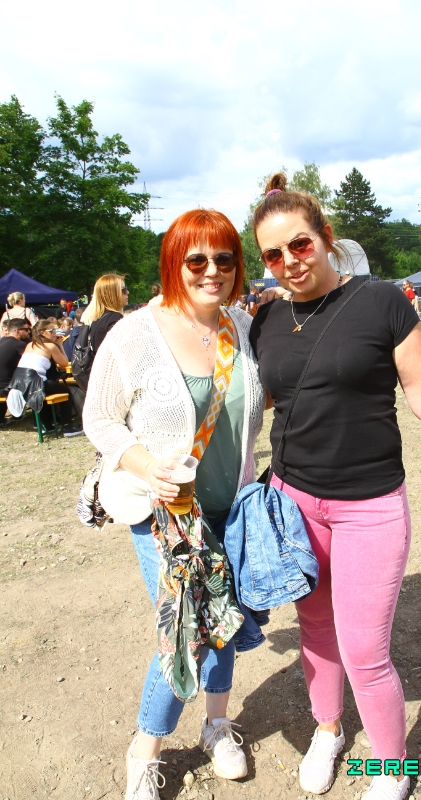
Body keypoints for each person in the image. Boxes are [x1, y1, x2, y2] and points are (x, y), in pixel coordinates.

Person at [248, 173, 421, 800]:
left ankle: (391, 765)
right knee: (315, 628)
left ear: (325, 237)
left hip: (370, 506)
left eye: (300, 244)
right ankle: (328, 729)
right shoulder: (266, 319)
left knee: (363, 650)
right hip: (293, 504)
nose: (289, 261)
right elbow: (259, 402)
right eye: (273, 254)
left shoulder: (382, 302)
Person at [83, 209, 265, 800]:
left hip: (232, 509)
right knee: (185, 627)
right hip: (167, 516)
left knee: (225, 622)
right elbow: (99, 418)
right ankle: (145, 752)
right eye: (197, 259)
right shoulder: (134, 334)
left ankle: (217, 724)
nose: (213, 270)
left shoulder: (242, 325)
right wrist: (145, 466)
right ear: (173, 263)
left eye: (225, 258)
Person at [13, 319, 84, 436]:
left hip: (19, 381)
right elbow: (64, 363)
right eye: (52, 331)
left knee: (46, 392)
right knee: (66, 392)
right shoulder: (50, 346)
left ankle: (46, 424)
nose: (55, 333)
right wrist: (60, 345)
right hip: (35, 381)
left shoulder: (30, 345)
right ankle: (68, 427)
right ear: (42, 332)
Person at [81, 274, 129, 355]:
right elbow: (124, 351)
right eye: (123, 290)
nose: (127, 292)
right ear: (112, 294)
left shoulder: (97, 319)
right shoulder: (114, 318)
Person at [0, 319, 32, 424]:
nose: (29, 332)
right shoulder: (19, 345)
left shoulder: (2, 342)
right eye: (26, 329)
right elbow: (32, 362)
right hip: (7, 388)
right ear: (17, 331)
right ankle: (45, 420)